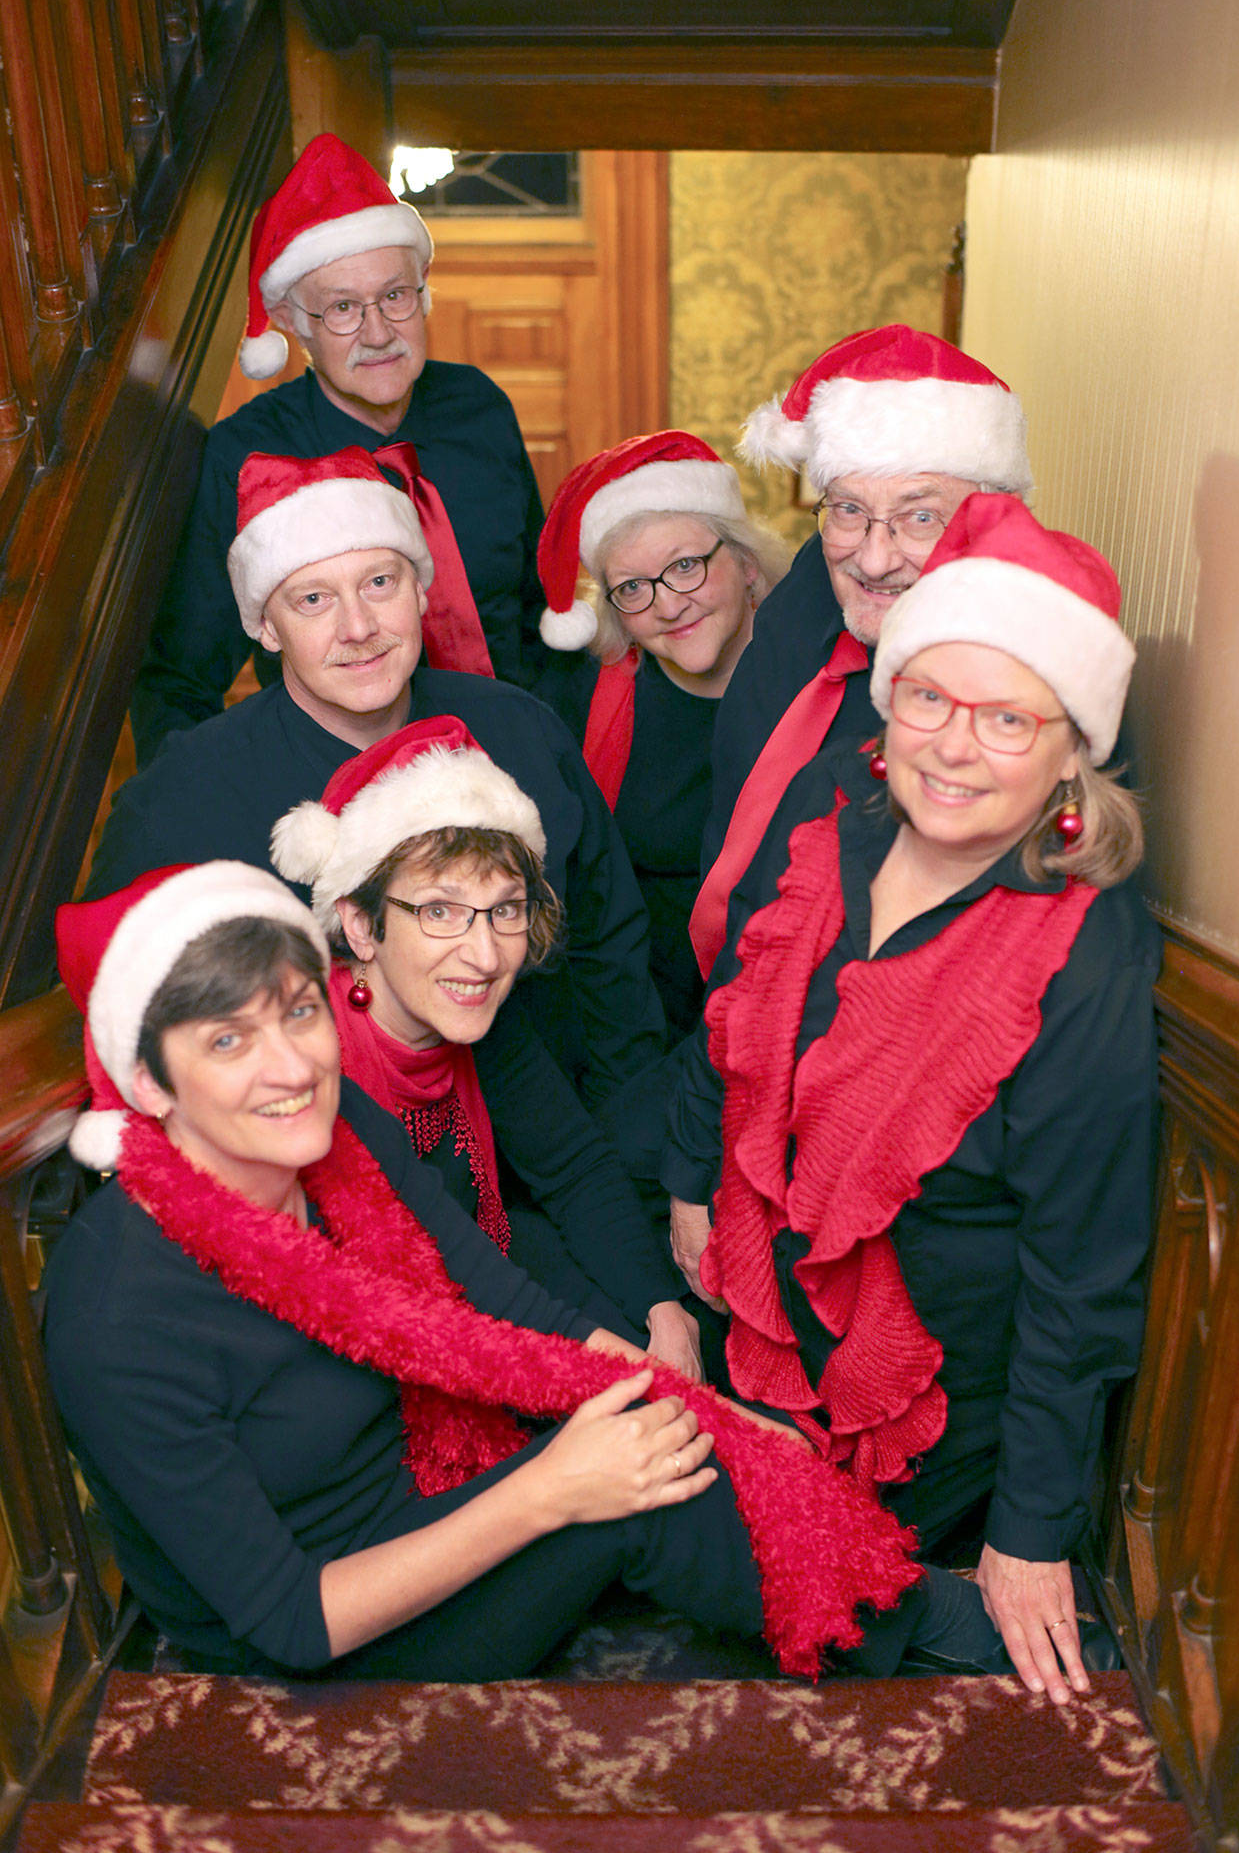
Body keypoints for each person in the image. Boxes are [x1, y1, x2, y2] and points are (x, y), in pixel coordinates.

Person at [42, 860, 943, 1683]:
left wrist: (717, 1419)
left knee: (655, 1421)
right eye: (227, 1043)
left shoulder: (336, 1124)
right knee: (631, 1490)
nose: (290, 1067)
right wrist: (552, 1490)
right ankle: (929, 1643)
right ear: (149, 1085)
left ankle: (883, 1596)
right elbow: (288, 1619)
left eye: (299, 1010)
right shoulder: (117, 1317)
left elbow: (495, 1296)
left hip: (419, 1481)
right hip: (314, 1630)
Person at [665, 494, 1158, 1707]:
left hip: (926, 1395)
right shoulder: (840, 813)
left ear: (1068, 752)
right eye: (928, 696)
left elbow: (1079, 1271)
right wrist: (687, 1182)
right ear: (886, 703)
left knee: (671, 1544)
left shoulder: (1078, 952)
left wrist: (1032, 1533)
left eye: (1005, 719)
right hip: (755, 1308)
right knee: (640, 1505)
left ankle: (913, 1596)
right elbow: (727, 1014)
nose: (951, 744)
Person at [88, 448, 665, 1112]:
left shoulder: (524, 731)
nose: (358, 628)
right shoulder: (183, 794)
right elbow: (125, 1014)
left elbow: (610, 950)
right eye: (313, 599)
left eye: (379, 584)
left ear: (422, 590)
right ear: (268, 629)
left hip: (556, 1153)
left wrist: (636, 1154)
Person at [271, 714, 700, 1378]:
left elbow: (572, 1167)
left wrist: (661, 1308)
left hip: (490, 1282)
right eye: (440, 910)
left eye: (505, 909)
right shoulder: (307, 1067)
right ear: (361, 925)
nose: (484, 955)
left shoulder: (476, 1020)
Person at [132, 133, 548, 763]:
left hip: (514, 753)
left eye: (394, 296)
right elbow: (182, 677)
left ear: (423, 293)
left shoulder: (481, 406)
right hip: (342, 784)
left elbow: (536, 609)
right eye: (343, 309)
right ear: (297, 325)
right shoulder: (245, 454)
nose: (378, 332)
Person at [690, 325, 1033, 980]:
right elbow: (732, 819)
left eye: (920, 517)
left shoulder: (1023, 682)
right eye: (848, 510)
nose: (873, 559)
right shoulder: (804, 599)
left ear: (991, 520)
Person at [534, 432, 788, 1038]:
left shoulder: (819, 684)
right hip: (642, 1017)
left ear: (747, 563)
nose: (668, 605)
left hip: (791, 1012)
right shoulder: (583, 701)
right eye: (633, 588)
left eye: (684, 567)